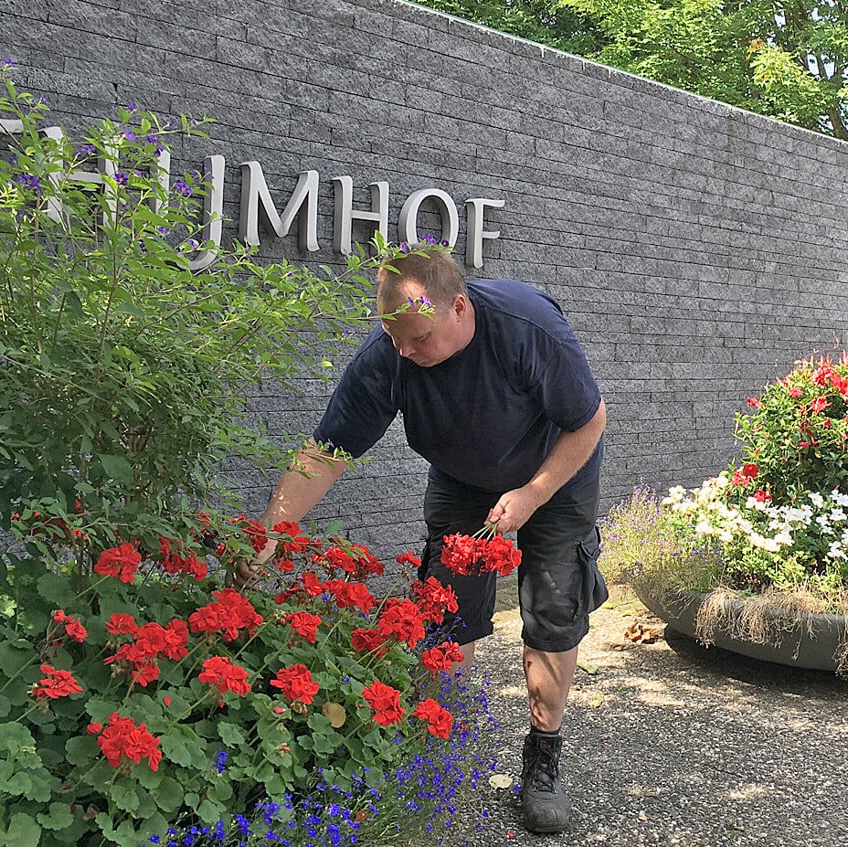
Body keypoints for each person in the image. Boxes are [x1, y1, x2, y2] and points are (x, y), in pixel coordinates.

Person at [250, 243, 608, 835]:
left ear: (459, 310)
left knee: (552, 609)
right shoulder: (390, 353)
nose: (404, 352)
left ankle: (543, 756)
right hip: (463, 477)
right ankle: (443, 745)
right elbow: (326, 453)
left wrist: (532, 495)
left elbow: (589, 419)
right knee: (443, 615)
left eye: (418, 339)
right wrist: (268, 536)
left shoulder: (527, 328)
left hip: (555, 471)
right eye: (395, 338)